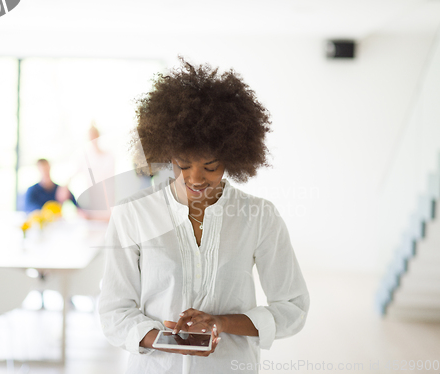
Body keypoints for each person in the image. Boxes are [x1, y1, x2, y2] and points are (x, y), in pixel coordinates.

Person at [98, 59, 310, 374]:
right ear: (166, 154)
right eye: (183, 164)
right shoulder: (134, 213)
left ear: (234, 157)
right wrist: (169, 341)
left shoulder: (259, 216)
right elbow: (114, 311)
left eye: (210, 166)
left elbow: (292, 308)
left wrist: (221, 323)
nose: (196, 178)